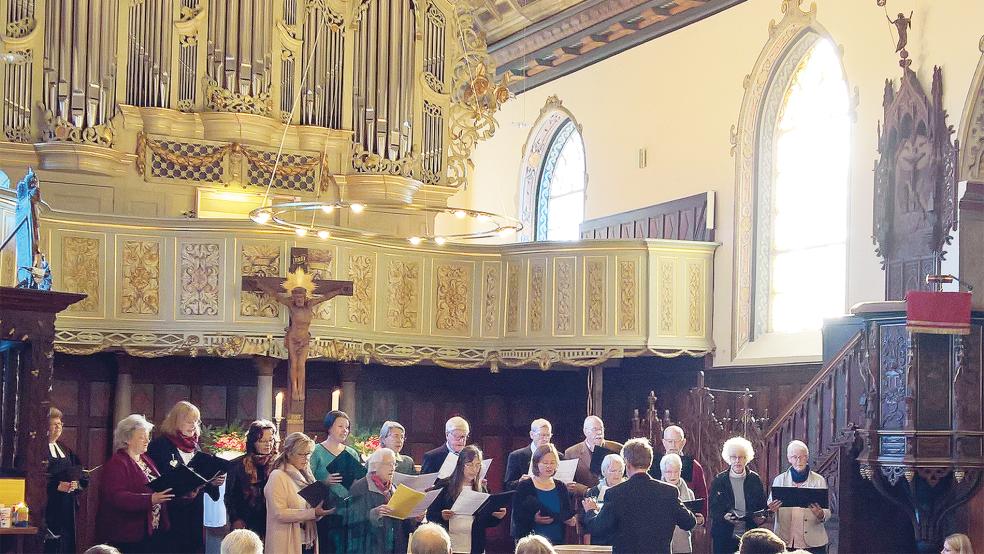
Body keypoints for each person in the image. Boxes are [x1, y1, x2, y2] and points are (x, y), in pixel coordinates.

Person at [582, 438, 696, 553]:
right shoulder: (669, 492)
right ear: (650, 462)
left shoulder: (615, 494)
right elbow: (689, 523)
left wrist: (591, 511)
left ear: (626, 462)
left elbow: (598, 528)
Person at [147, 400, 224, 553]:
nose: (193, 426)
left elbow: (200, 476)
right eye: (189, 421)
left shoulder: (195, 446)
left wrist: (212, 482)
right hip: (170, 512)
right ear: (175, 422)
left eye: (196, 422)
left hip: (193, 513)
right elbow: (155, 478)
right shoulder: (160, 445)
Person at [95, 414, 174, 552]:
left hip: (151, 530)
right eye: (141, 437)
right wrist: (150, 499)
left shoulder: (145, 459)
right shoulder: (118, 463)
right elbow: (117, 497)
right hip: (128, 533)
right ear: (127, 439)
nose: (147, 441)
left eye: (148, 437)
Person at [427, 445, 507, 553]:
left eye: (478, 465)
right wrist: (442, 516)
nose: (474, 470)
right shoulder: (445, 485)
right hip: (449, 544)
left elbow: (485, 520)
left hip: (474, 545)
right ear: (460, 465)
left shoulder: (481, 488)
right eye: (469, 465)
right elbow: (431, 515)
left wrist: (497, 517)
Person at [265, 432, 334, 554]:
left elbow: (312, 506)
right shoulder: (278, 476)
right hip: (287, 540)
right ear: (289, 454)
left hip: (308, 540)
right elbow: (279, 513)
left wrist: (321, 510)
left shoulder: (307, 475)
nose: (306, 458)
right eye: (301, 454)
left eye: (308, 454)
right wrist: (313, 513)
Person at [347, 448, 421, 553]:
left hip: (396, 547)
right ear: (375, 465)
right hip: (370, 547)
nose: (393, 468)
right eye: (389, 464)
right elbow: (351, 522)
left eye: (394, 464)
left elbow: (403, 523)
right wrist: (373, 513)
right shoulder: (360, 487)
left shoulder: (394, 488)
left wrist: (414, 517)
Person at [309, 410, 362, 553]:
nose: (345, 430)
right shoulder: (316, 451)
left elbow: (358, 481)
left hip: (348, 509)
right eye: (340, 426)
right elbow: (306, 482)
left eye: (347, 427)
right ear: (329, 427)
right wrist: (325, 482)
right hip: (325, 509)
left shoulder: (352, 453)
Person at [769, 440, 831, 553]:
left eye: (802, 457)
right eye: (794, 457)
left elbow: (827, 511)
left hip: (813, 542)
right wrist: (771, 509)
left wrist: (821, 514)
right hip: (785, 540)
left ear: (807, 458)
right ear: (789, 459)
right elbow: (770, 507)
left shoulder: (818, 480)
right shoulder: (779, 480)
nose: (799, 460)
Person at [709, 437, 768, 554]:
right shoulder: (719, 480)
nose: (737, 461)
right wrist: (723, 516)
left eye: (740, 457)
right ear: (728, 458)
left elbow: (762, 506)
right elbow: (712, 508)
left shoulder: (754, 479)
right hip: (723, 536)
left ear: (746, 458)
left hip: (749, 537)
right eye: (733, 457)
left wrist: (761, 516)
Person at [511, 444, 575, 546]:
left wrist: (570, 519)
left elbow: (566, 512)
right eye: (545, 463)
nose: (549, 466)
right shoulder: (525, 486)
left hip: (557, 541)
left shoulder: (561, 486)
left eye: (552, 463)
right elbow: (517, 516)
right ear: (536, 464)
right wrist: (534, 519)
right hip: (531, 542)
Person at [44, 407, 88, 553]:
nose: (59, 427)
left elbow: (79, 471)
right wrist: (56, 486)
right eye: (54, 424)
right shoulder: (38, 449)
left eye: (60, 424)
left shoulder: (64, 449)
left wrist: (76, 484)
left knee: (66, 542)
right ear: (45, 426)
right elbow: (34, 478)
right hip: (48, 505)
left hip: (66, 505)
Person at [226, 419, 279, 539]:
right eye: (262, 441)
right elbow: (230, 497)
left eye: (270, 440)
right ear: (253, 442)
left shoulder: (279, 464)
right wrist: (236, 519)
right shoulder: (237, 465)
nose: (268, 444)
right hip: (246, 520)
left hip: (272, 520)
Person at [651, 425, 709, 518]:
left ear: (683, 442)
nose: (673, 445)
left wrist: (702, 521)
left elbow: (702, 496)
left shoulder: (693, 466)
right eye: (670, 441)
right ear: (664, 442)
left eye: (677, 441)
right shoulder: (653, 464)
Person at [563, 416, 623, 496]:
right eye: (595, 429)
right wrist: (586, 491)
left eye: (601, 429)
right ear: (585, 431)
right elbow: (569, 484)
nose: (599, 432)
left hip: (613, 500)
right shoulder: (571, 453)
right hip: (584, 501)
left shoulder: (618, 449)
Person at [660, 453, 706, 553]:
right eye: (668, 472)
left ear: (680, 472)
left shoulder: (689, 493)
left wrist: (699, 521)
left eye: (676, 471)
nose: (673, 475)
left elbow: (692, 525)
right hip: (662, 545)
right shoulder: (656, 492)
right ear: (662, 472)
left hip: (683, 545)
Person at [583, 453, 625, 546]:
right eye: (613, 471)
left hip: (621, 538)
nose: (617, 475)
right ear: (604, 471)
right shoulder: (593, 492)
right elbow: (586, 521)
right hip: (600, 538)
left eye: (620, 471)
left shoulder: (627, 490)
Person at [504, 419, 553, 491]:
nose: (545, 439)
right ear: (532, 435)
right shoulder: (517, 456)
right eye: (541, 435)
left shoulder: (559, 456)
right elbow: (507, 486)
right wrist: (520, 482)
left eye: (548, 435)